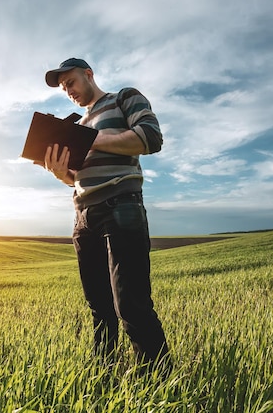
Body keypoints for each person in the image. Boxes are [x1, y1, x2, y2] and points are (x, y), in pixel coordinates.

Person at [39, 58, 171, 372]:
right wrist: (61, 174)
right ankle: (103, 379)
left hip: (121, 206)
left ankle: (161, 383)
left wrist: (93, 140)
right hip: (83, 218)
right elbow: (77, 178)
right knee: (99, 308)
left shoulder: (124, 98)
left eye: (70, 82)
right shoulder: (76, 128)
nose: (68, 90)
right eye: (63, 88)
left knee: (131, 306)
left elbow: (151, 138)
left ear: (88, 74)